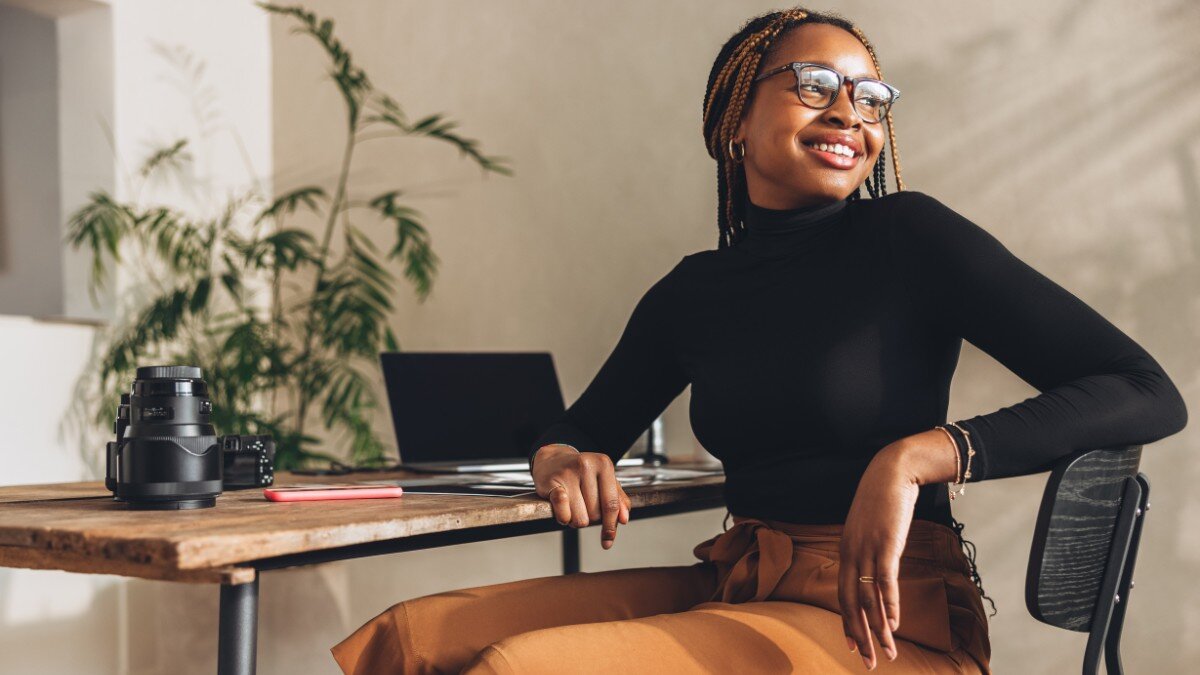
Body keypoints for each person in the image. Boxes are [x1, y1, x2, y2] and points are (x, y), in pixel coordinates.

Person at [330, 7, 1188, 674]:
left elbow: (1145, 388)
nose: (849, 109)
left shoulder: (912, 238)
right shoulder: (695, 292)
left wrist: (918, 456)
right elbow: (586, 428)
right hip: (744, 582)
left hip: (888, 623)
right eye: (814, 83)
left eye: (870, 95)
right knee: (410, 637)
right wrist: (561, 455)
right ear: (734, 119)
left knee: (519, 666)